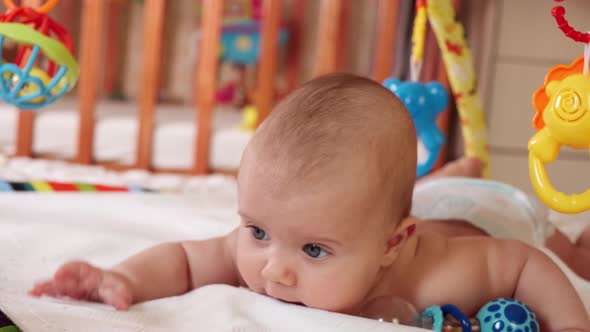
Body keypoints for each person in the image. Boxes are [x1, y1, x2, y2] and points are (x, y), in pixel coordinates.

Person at [29, 74, 590, 331]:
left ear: (393, 246)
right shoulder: (275, 242)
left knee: (561, 245)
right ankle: (452, 171)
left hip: (490, 211)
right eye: (256, 230)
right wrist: (121, 279)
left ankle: (484, 183)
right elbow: (181, 260)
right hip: (419, 200)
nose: (273, 269)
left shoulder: (441, 273)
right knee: (426, 187)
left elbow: (523, 262)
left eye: (315, 250)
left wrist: (568, 323)